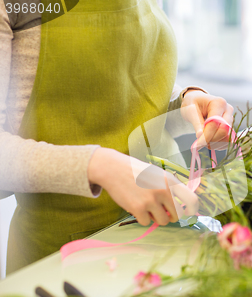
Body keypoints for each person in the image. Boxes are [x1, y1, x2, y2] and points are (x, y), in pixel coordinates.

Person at [0, 0, 234, 274]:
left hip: (165, 233)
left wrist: (185, 101)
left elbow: (124, 84)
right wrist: (99, 166)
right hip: (62, 260)